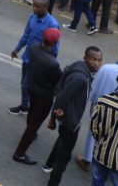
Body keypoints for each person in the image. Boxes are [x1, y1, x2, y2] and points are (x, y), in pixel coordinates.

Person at [42, 46, 103, 185]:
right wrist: (52, 118)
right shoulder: (80, 78)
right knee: (64, 156)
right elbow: (62, 97)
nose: (97, 63)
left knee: (61, 139)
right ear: (85, 58)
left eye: (99, 60)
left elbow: (61, 85)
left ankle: (48, 165)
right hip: (71, 122)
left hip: (67, 118)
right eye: (93, 59)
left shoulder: (79, 67)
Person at [76, 45, 118, 172]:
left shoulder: (106, 68)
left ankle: (87, 160)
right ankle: (109, 164)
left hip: (101, 109)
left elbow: (93, 89)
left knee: (94, 134)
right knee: (115, 138)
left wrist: (91, 104)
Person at [12, 28, 62, 165]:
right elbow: (58, 81)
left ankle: (31, 134)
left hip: (32, 88)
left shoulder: (34, 48)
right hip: (44, 96)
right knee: (35, 123)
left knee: (32, 114)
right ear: (55, 42)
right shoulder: (52, 63)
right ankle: (20, 153)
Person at [9, 0, 60, 115]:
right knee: (24, 83)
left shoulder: (52, 24)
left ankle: (27, 107)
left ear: (46, 8)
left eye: (38, 7)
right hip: (27, 57)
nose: (34, 9)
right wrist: (17, 49)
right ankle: (26, 106)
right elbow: (26, 35)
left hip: (38, 62)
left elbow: (55, 47)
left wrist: (49, 63)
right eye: (34, 6)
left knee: (27, 85)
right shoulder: (32, 18)